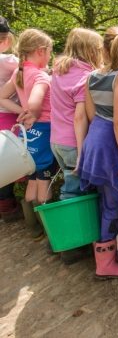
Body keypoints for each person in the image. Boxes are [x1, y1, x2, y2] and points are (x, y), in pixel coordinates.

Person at [77, 26, 118, 280]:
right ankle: (104, 264)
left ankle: (111, 251)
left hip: (95, 141)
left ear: (102, 49)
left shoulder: (91, 76)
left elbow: (93, 116)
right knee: (113, 203)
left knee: (105, 200)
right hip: (111, 147)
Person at [49, 28, 104, 264]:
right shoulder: (84, 77)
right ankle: (70, 246)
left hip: (56, 141)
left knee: (68, 189)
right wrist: (82, 153)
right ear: (92, 51)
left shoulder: (59, 70)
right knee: (74, 192)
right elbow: (80, 117)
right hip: (73, 144)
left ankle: (64, 242)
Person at [0, 28, 55, 241]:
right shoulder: (40, 76)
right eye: (49, 51)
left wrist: (21, 113)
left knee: (32, 177)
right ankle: (49, 231)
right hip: (44, 130)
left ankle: (35, 230)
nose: (50, 55)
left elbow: (2, 97)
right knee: (43, 180)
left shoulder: (19, 72)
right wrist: (31, 112)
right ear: (41, 50)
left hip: (27, 134)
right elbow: (34, 102)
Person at [0, 17, 23, 223]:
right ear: (5, 40)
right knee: (7, 157)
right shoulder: (8, 61)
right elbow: (31, 67)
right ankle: (7, 205)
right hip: (7, 114)